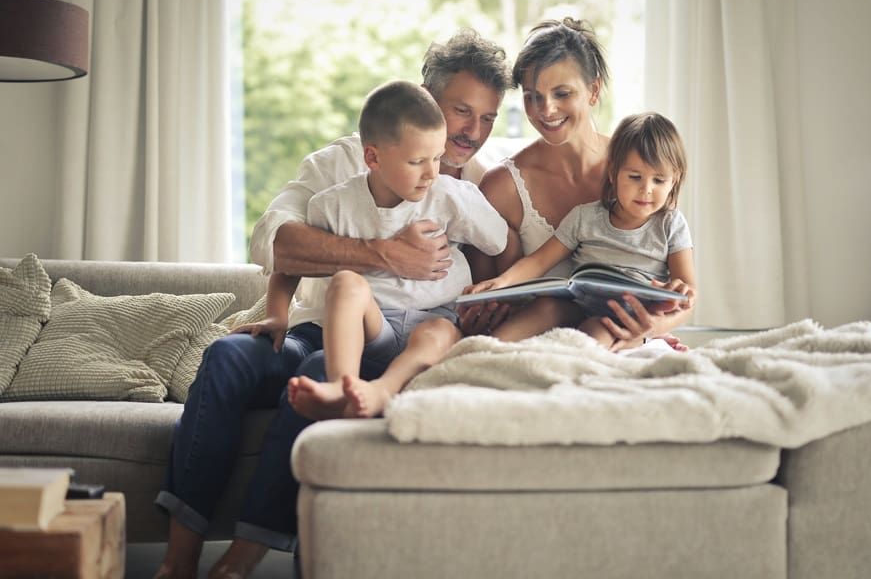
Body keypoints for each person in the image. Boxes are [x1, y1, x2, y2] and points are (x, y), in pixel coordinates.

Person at [153, 29, 513, 579]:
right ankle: (176, 563)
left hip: (385, 342)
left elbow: (500, 254)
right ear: (423, 97)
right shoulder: (338, 168)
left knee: (325, 369)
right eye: (463, 110)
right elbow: (275, 242)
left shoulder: (476, 185)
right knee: (226, 356)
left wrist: (486, 297)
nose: (474, 131)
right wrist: (383, 254)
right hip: (314, 324)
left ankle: (239, 560)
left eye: (488, 118)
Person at [236, 80, 507, 421]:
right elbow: (289, 265)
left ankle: (380, 390)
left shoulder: (449, 195)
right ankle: (339, 385)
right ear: (372, 157)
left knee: (436, 333)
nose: (431, 174)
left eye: (437, 158)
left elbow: (497, 240)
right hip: (374, 324)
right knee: (347, 282)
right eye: (417, 161)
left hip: (435, 317)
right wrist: (277, 314)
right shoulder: (333, 205)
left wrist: (468, 204)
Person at [461, 17, 684, 351]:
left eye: (562, 93)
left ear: (593, 91)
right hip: (538, 341)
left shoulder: (642, 170)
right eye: (532, 96)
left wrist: (652, 329)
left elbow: (679, 281)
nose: (545, 110)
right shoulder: (502, 188)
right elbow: (489, 296)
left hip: (621, 335)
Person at [465, 112, 696, 347]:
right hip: (578, 304)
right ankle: (482, 351)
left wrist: (657, 326)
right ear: (613, 173)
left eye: (659, 181)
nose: (646, 189)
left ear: (674, 180)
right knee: (544, 307)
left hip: (631, 316)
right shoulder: (585, 217)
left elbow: (689, 294)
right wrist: (501, 282)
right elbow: (538, 262)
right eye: (635, 177)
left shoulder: (670, 224)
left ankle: (600, 357)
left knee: (598, 330)